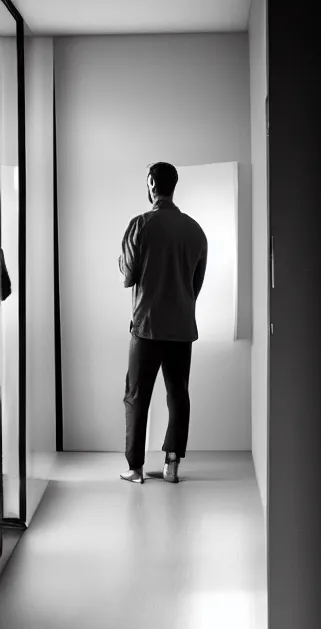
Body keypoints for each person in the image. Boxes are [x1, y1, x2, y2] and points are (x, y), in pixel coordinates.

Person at [118, 162, 207, 485]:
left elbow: (127, 276)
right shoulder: (195, 230)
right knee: (178, 394)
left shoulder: (141, 225)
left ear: (152, 183)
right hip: (182, 327)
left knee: (136, 396)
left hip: (147, 327)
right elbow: (195, 285)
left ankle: (136, 469)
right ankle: (171, 467)